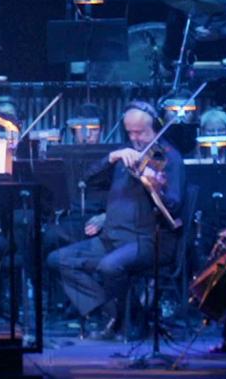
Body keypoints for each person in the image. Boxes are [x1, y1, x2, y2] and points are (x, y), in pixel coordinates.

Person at [43, 101, 185, 339]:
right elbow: (89, 180)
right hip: (111, 237)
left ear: (156, 127)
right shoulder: (125, 155)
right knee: (58, 259)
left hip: (147, 240)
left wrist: (155, 185)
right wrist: (112, 157)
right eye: (130, 132)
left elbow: (174, 205)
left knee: (110, 266)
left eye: (140, 132)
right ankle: (117, 313)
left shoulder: (169, 158)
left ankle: (128, 319)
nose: (136, 138)